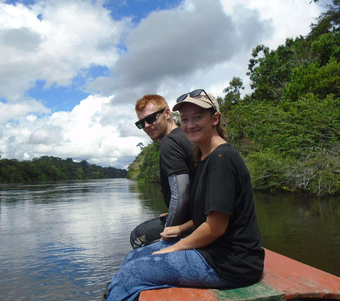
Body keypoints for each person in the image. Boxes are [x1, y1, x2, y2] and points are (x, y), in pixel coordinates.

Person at [105, 89, 264, 301]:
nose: (190, 125)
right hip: (213, 251)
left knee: (131, 274)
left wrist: (175, 248)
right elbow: (207, 218)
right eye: (186, 119)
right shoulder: (204, 155)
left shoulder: (221, 160)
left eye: (198, 117)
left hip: (230, 264)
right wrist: (180, 228)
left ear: (215, 118)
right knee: (133, 257)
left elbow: (215, 228)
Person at [129, 94, 196, 249]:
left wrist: (171, 228)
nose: (146, 125)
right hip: (194, 216)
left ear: (167, 114)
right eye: (141, 123)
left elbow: (180, 195)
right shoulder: (185, 136)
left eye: (151, 118)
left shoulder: (170, 143)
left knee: (137, 236)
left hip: (190, 222)